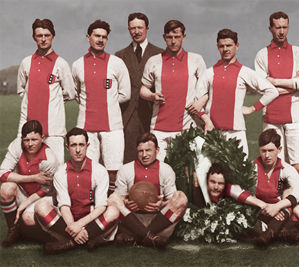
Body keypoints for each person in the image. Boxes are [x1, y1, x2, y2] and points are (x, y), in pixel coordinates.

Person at [251, 11, 299, 206]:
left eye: (285, 27)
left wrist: (275, 82)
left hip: (295, 116)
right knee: (277, 166)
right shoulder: (262, 54)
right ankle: (282, 211)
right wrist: (292, 84)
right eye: (277, 27)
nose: (281, 31)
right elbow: (262, 87)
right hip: (271, 116)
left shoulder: (298, 52)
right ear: (270, 28)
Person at [188, 29, 278, 156]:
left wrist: (253, 108)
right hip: (212, 132)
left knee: (240, 174)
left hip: (236, 132)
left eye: (229, 45)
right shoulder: (209, 73)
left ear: (237, 46)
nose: (225, 49)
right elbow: (196, 101)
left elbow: (272, 91)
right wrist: (206, 120)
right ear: (217, 47)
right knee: (211, 174)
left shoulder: (245, 72)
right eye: (221, 46)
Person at [35, 127, 119, 254]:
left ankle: (71, 243)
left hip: (91, 221)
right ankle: (86, 239)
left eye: (81, 145)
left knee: (113, 211)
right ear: (67, 147)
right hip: (68, 221)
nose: (78, 150)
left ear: (87, 145)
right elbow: (64, 205)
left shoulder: (99, 170)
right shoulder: (61, 173)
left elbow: (101, 206)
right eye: (74, 145)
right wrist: (73, 227)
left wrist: (80, 225)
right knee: (40, 206)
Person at [72, 20, 131, 194]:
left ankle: (113, 209)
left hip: (112, 126)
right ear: (88, 37)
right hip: (86, 128)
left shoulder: (116, 63)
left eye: (104, 37)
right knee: (88, 171)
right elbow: (76, 93)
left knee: (113, 171)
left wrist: (108, 102)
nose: (100, 40)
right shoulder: (77, 65)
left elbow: (125, 93)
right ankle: (90, 208)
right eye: (97, 36)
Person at [139, 20, 206, 161]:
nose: (173, 41)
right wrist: (152, 96)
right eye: (169, 37)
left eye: (177, 37)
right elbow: (143, 89)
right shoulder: (154, 61)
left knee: (186, 173)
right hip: (159, 129)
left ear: (184, 37)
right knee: (159, 171)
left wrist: (200, 102)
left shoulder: (196, 60)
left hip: (187, 127)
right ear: (164, 38)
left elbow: (207, 89)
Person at [108, 133, 188, 248]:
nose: (144, 155)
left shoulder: (166, 170)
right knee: (113, 198)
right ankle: (149, 237)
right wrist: (126, 203)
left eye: (148, 150)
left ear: (157, 150)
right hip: (132, 219)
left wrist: (161, 204)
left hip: (158, 221)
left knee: (181, 197)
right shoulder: (126, 169)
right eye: (141, 151)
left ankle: (139, 236)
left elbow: (172, 200)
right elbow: (119, 199)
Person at [17, 19, 75, 164]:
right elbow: (22, 90)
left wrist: (51, 100)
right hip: (28, 129)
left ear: (53, 36)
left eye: (47, 35)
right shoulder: (26, 62)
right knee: (27, 169)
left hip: (54, 130)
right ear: (33, 37)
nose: (43, 39)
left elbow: (70, 93)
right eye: (39, 35)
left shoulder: (61, 64)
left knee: (56, 171)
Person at [0, 120, 58, 247]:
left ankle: (48, 236)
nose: (30, 144)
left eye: (34, 139)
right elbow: (3, 174)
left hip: (41, 197)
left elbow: (45, 190)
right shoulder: (16, 146)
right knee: (5, 189)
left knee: (28, 219)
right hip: (24, 191)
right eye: (26, 140)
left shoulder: (49, 159)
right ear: (22, 139)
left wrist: (23, 206)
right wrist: (33, 178)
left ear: (42, 138)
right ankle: (13, 230)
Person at [115, 12, 163, 163]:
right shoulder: (120, 56)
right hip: (129, 115)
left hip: (153, 113)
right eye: (132, 28)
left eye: (140, 27)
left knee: (155, 157)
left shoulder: (160, 54)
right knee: (130, 157)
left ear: (147, 28)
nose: (136, 31)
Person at [192, 163, 266, 209]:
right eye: (213, 182)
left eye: (220, 183)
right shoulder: (200, 187)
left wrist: (266, 206)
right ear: (207, 181)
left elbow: (242, 196)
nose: (216, 187)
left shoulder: (228, 188)